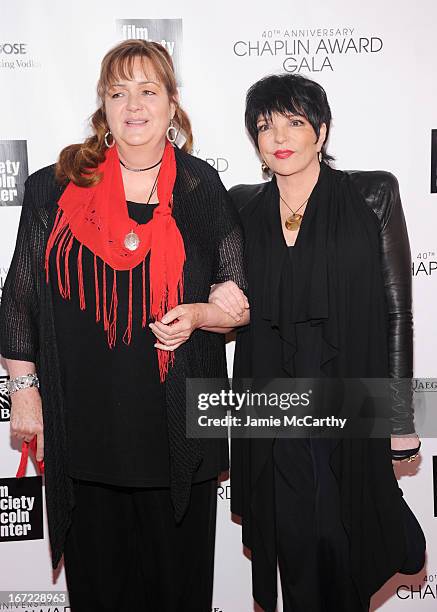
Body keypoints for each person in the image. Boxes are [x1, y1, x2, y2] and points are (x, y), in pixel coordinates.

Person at [0, 39, 248, 612]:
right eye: (119, 92)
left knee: (178, 592)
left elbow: (236, 298)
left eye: (147, 90)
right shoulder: (54, 185)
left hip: (178, 432)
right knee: (100, 592)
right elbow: (20, 296)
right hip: (85, 430)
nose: (133, 105)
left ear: (172, 103)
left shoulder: (198, 187)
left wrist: (199, 315)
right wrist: (23, 388)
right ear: (103, 107)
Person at [209, 74, 425, 611]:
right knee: (297, 552)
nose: (279, 136)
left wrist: (399, 421)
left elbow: (397, 312)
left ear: (321, 131)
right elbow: (226, 303)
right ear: (254, 140)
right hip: (272, 410)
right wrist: (217, 291)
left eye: (295, 122)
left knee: (343, 544)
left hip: (349, 403)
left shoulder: (373, 194)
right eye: (265, 126)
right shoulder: (240, 206)